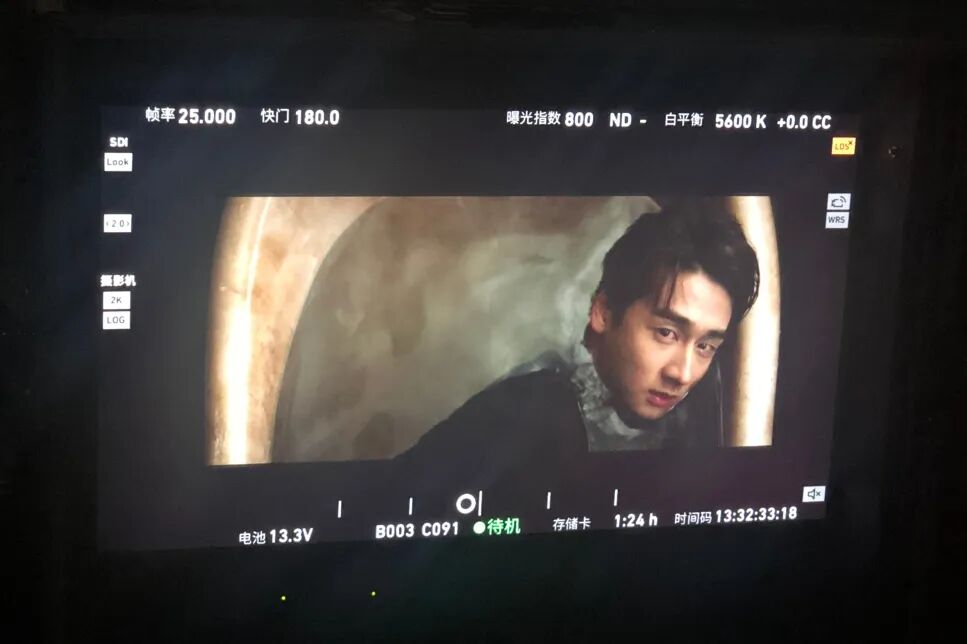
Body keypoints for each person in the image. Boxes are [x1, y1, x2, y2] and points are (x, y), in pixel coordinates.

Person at [396, 205, 760, 491]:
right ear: (603, 311)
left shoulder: (697, 409)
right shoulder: (522, 414)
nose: (682, 373)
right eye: (666, 333)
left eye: (706, 345)